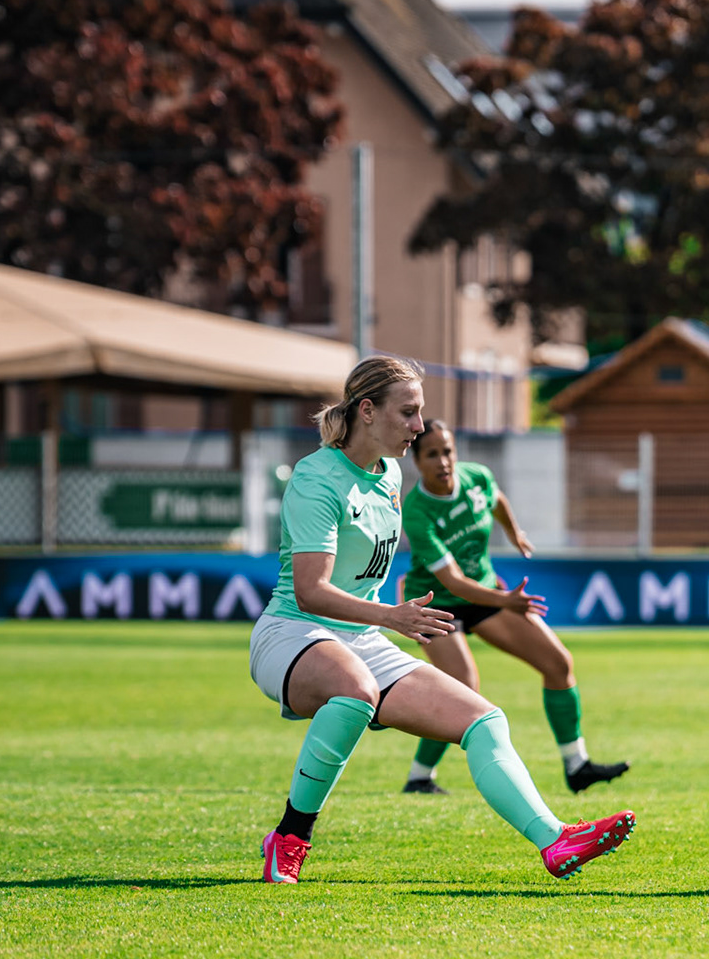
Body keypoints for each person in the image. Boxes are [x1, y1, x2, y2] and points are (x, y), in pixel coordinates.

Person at [246, 355, 636, 885]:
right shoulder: (316, 477)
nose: (418, 426)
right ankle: (290, 838)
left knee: (484, 720)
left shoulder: (388, 475)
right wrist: (392, 616)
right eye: (408, 413)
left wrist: (385, 620)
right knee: (355, 690)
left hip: (361, 637)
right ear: (366, 411)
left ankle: (555, 839)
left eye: (420, 413)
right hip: (291, 634)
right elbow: (312, 592)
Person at [397, 421, 630, 796]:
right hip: (435, 601)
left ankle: (577, 766)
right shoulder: (418, 511)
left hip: (485, 594)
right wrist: (505, 600)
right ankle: (419, 777)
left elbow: (496, 499)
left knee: (558, 663)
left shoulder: (476, 478)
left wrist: (514, 531)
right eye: (432, 454)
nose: (444, 461)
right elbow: (454, 583)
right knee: (462, 687)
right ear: (417, 462)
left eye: (448, 451)